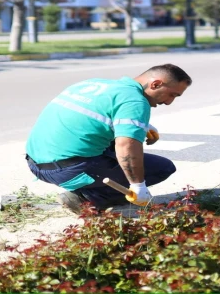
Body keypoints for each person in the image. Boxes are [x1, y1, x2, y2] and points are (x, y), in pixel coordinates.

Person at [25, 64, 192, 213]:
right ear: (155, 84)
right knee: (163, 168)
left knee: (113, 143)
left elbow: (88, 119)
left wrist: (139, 126)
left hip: (36, 163)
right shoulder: (135, 101)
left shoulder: (96, 83)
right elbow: (126, 146)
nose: (169, 102)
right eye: (172, 95)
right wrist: (138, 185)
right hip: (66, 170)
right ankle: (87, 199)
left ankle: (86, 188)